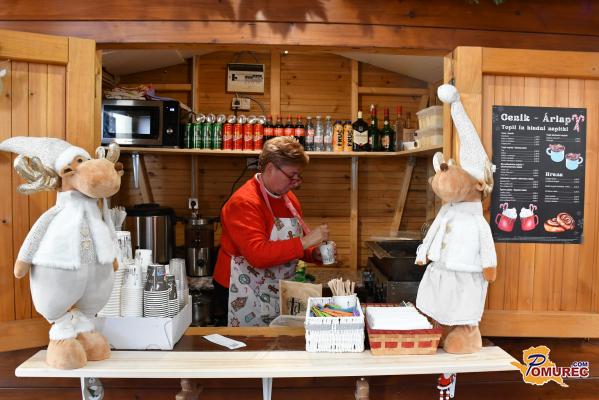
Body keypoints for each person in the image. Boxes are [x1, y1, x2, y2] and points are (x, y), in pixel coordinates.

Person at [212, 137, 329, 327]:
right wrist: (305, 242)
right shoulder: (244, 202)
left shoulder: (288, 199)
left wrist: (312, 254)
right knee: (250, 344)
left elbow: (292, 241)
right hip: (241, 289)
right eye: (291, 176)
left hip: (275, 288)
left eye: (298, 176)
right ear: (270, 169)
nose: (295, 183)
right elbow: (257, 255)